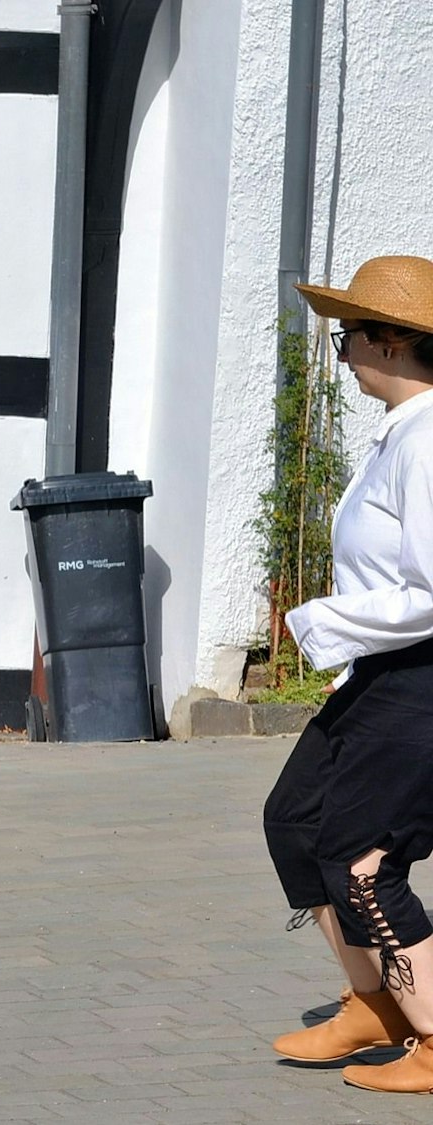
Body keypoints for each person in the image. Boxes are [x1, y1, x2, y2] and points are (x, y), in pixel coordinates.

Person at [264, 254, 433, 1095]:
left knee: (366, 861)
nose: (345, 353)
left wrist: (321, 623)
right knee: (295, 820)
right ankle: (376, 1003)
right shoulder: (399, 435)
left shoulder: (430, 441)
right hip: (382, 672)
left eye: (348, 338)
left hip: (422, 679)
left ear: (394, 342)